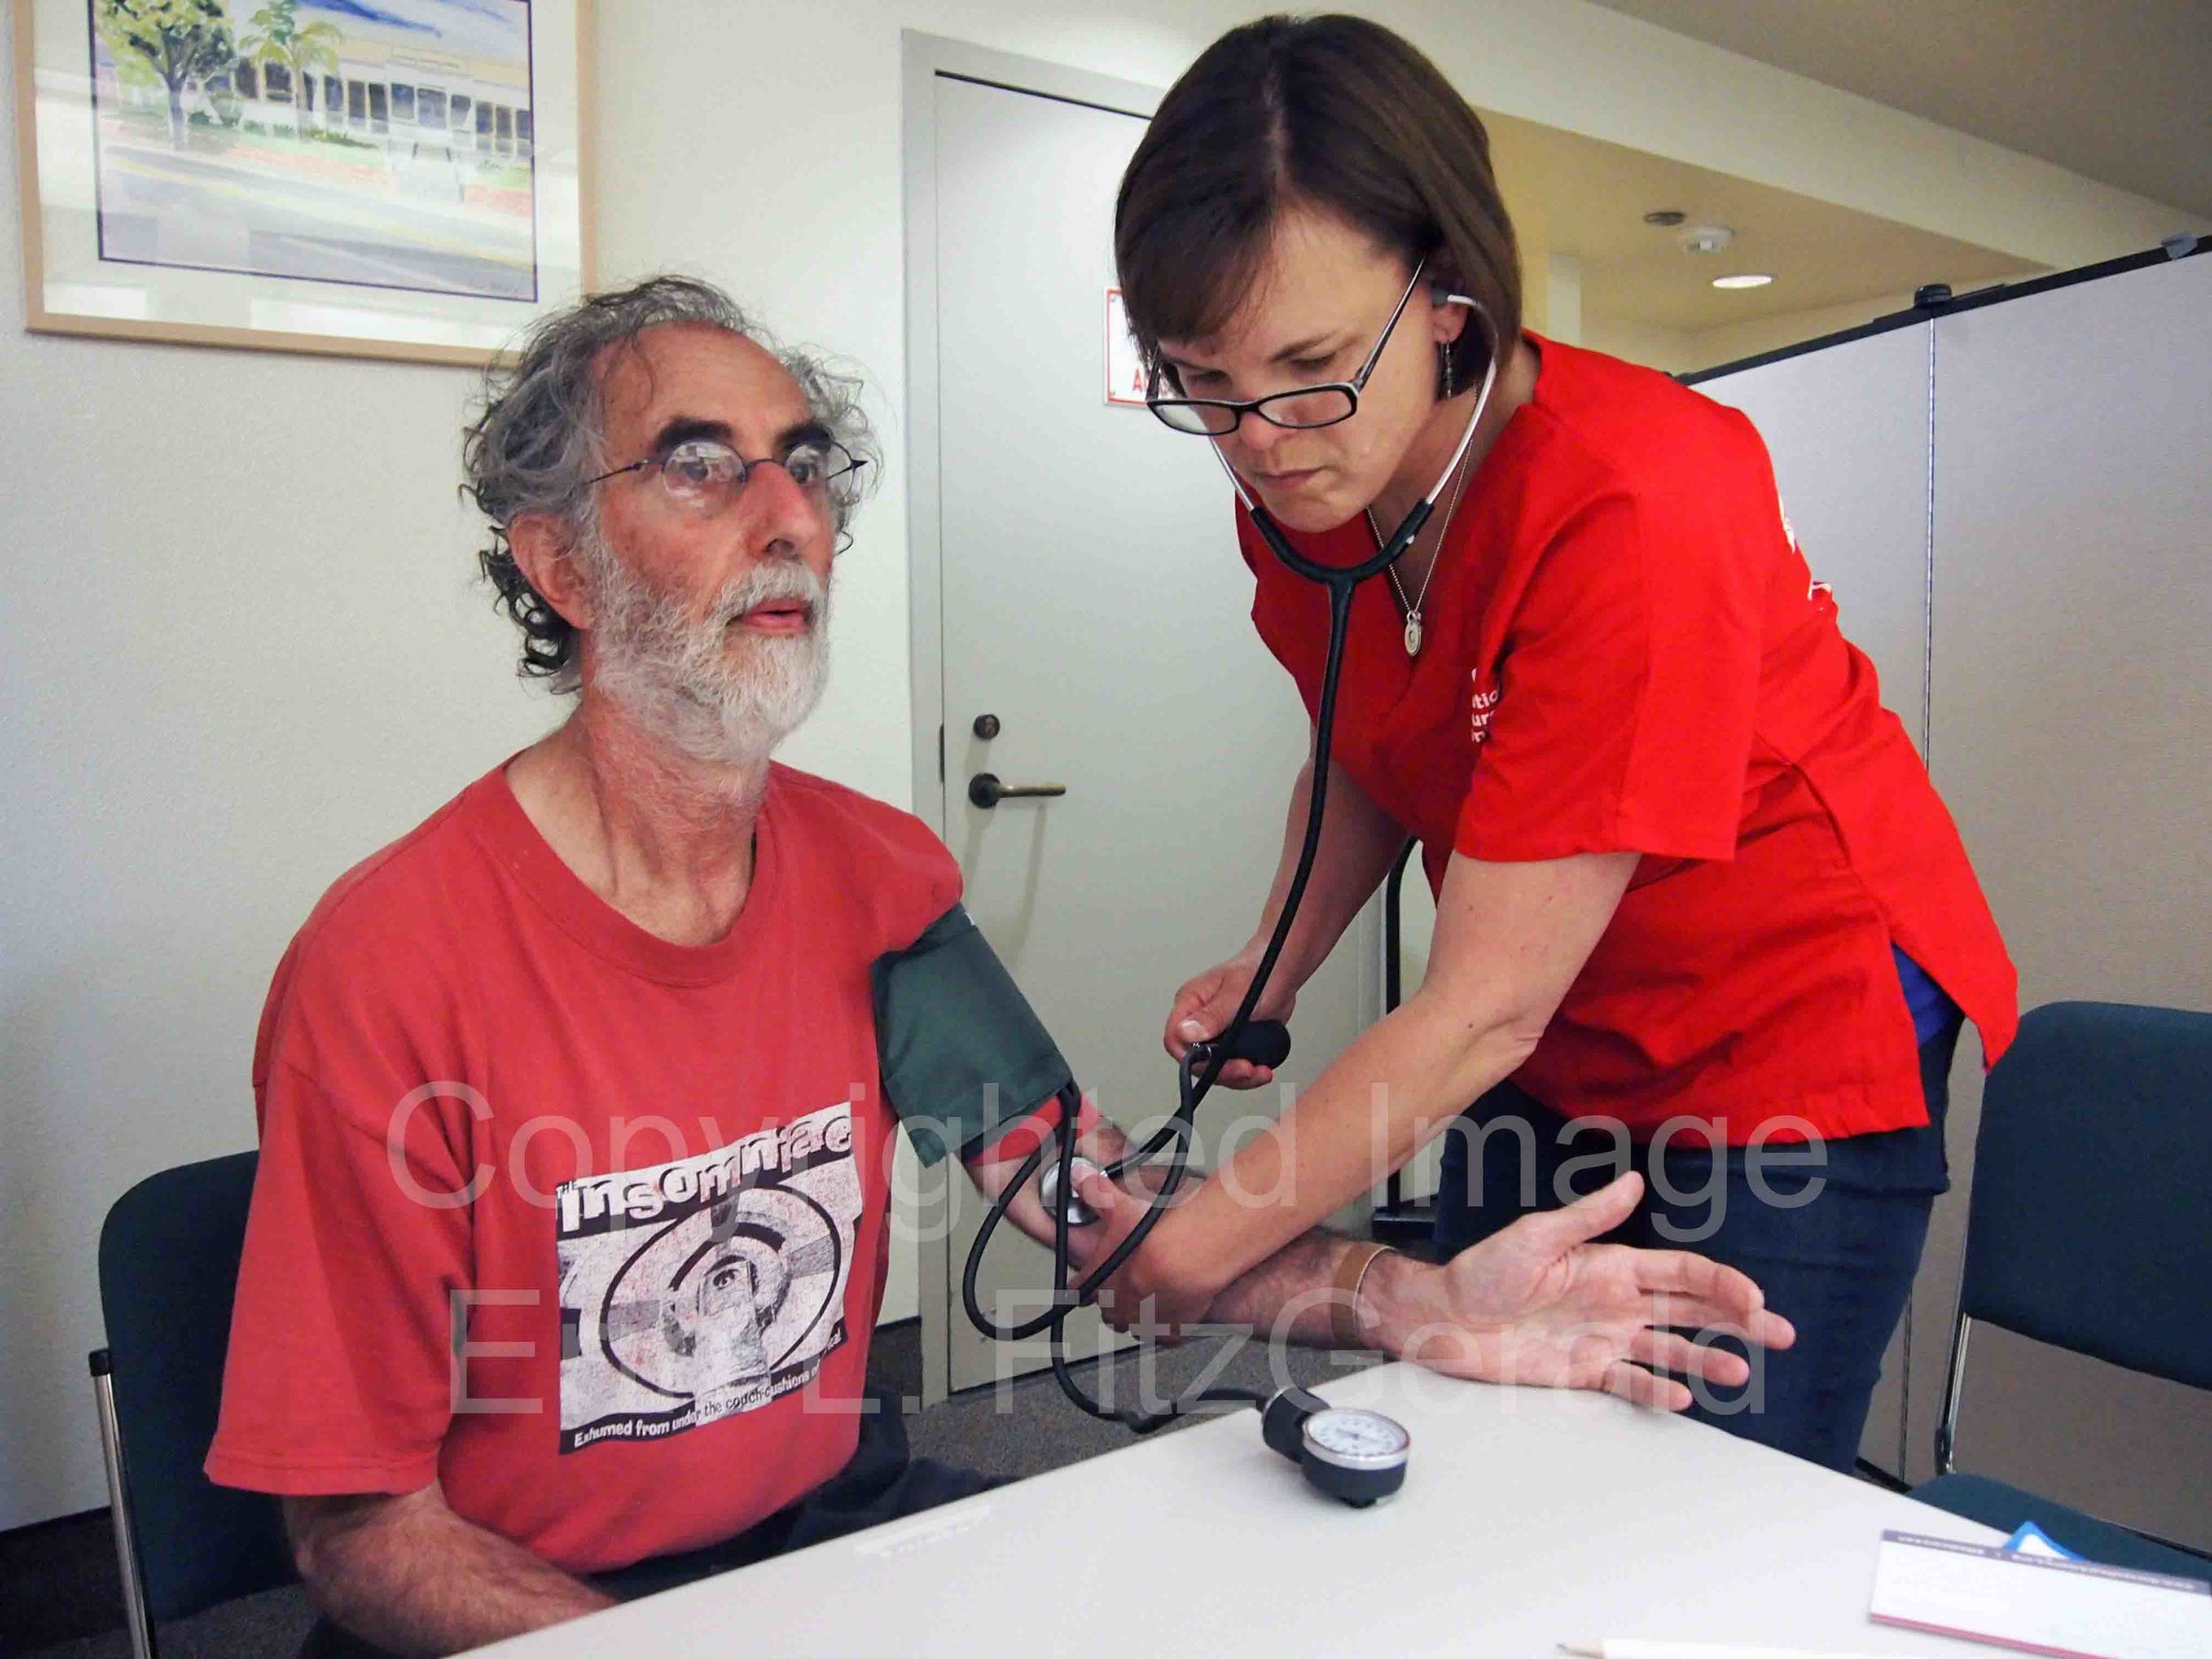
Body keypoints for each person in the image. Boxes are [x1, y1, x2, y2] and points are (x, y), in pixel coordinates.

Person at [207, 276, 1792, 1656]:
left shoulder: (876, 882)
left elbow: (1099, 1221)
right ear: (556, 563)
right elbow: (358, 1537)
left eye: (806, 465)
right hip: (539, 1606)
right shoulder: (388, 966)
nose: (789, 517)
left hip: (835, 1543)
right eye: (702, 464)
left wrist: (1409, 1299)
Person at [1085, 14, 2016, 1474]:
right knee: (1479, 1416)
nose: (1255, 436)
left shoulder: (1636, 505)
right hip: (1553, 1017)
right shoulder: (1315, 482)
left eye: (1307, 364)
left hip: (1780, 1026)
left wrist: (1197, 1240)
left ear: (1447, 292)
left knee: (1701, 1496)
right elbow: (1373, 736)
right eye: (1199, 380)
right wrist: (1273, 968)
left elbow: (1476, 1015)